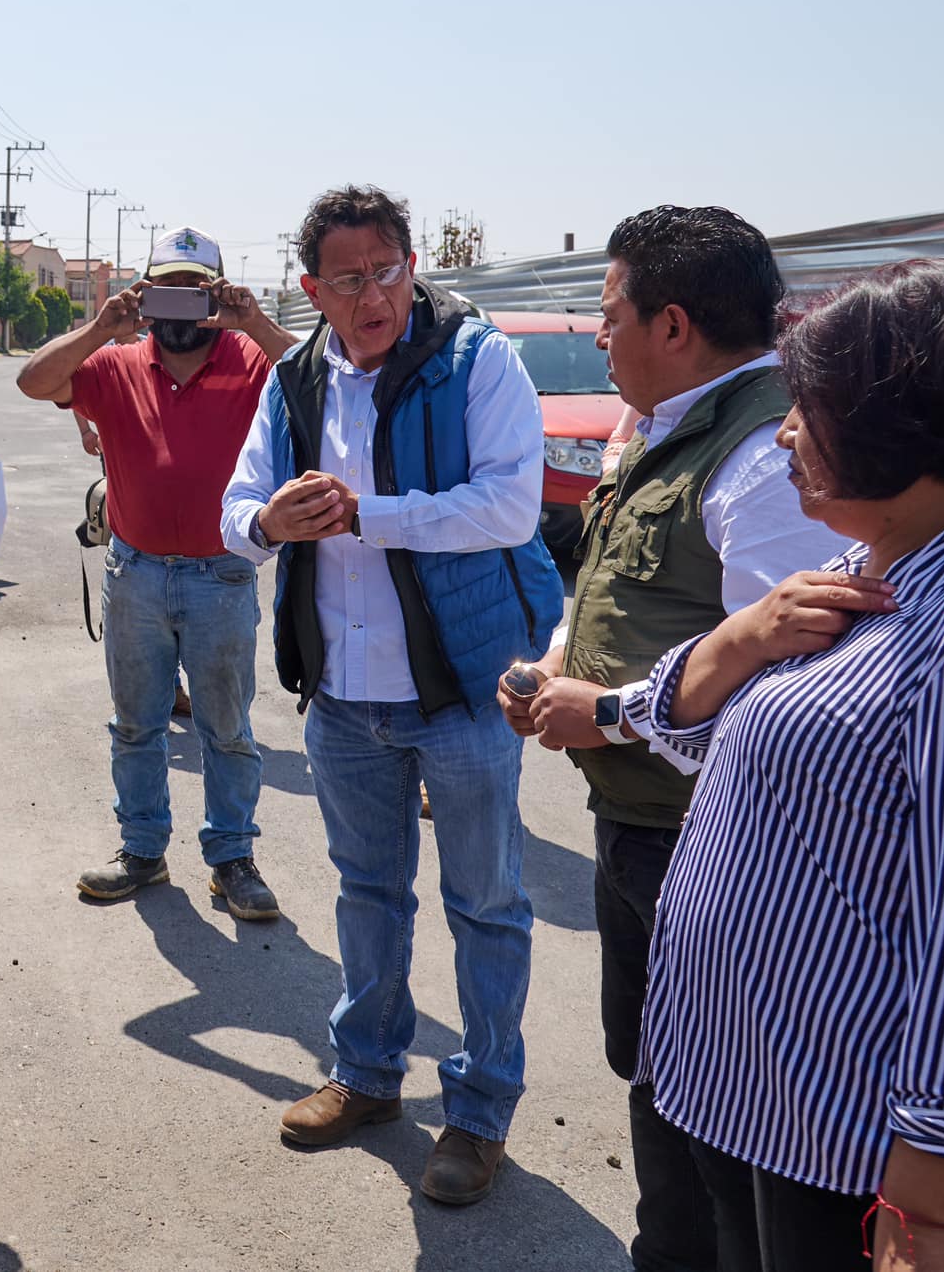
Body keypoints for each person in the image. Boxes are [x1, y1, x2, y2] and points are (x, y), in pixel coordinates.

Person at [635, 259, 944, 1272]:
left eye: (805, 411)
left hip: (887, 1174)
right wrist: (736, 647)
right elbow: (732, 748)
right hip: (785, 1113)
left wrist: (928, 1210)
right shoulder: (873, 574)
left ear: (903, 423)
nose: (781, 435)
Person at [500, 206, 850, 1272]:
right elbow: (631, 591)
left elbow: (784, 704)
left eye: (609, 317)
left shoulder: (761, 460)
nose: (597, 338)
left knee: (715, 1114)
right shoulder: (667, 423)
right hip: (640, 825)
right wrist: (561, 665)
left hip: (712, 849)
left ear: (673, 324)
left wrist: (602, 713)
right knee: (658, 1076)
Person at [221, 185, 561, 1206]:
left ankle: (477, 1112)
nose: (370, 295)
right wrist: (272, 524)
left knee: (485, 903)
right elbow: (235, 512)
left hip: (458, 687)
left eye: (385, 271)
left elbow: (507, 505)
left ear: (409, 266)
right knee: (365, 893)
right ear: (308, 287)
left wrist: (367, 515)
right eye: (345, 278)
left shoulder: (474, 359)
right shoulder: (291, 381)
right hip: (342, 694)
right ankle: (366, 1074)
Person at [17, 226, 299, 917]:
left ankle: (233, 858)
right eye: (167, 290)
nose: (181, 307)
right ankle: (142, 851)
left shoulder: (250, 358)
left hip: (223, 574)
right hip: (135, 574)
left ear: (215, 294)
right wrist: (99, 325)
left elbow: (324, 381)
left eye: (195, 292)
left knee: (227, 729)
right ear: (146, 294)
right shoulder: (116, 361)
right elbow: (34, 381)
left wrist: (253, 320)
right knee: (136, 724)